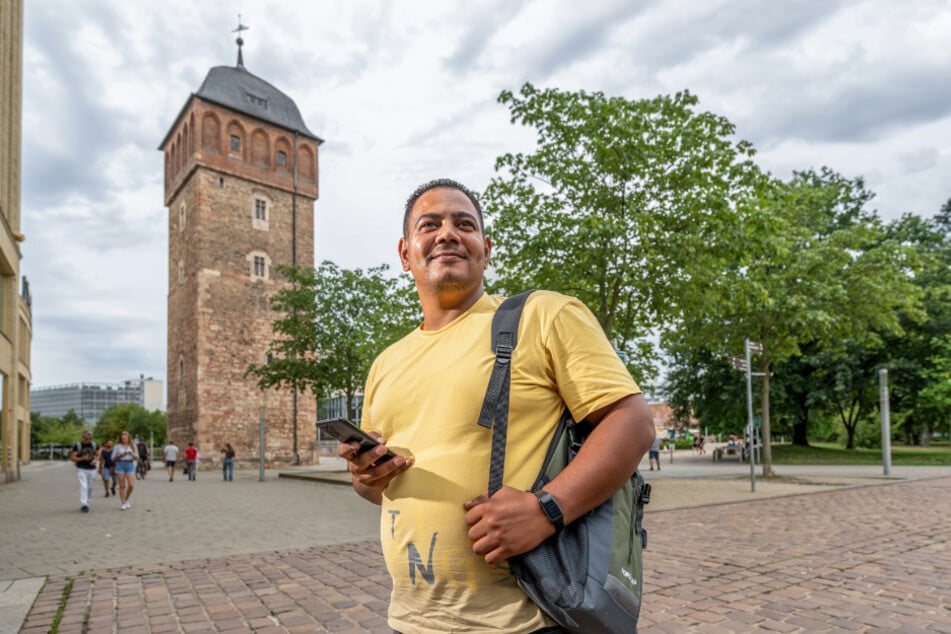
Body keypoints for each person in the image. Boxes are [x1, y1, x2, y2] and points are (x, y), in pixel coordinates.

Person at [338, 178, 655, 633]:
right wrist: (366, 474)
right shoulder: (386, 362)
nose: (447, 233)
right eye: (430, 224)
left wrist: (548, 508)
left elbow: (633, 422)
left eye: (463, 224)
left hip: (526, 620)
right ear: (406, 253)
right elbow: (377, 490)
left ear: (485, 249)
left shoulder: (544, 315)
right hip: (410, 620)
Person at [70, 430, 99, 512]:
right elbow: (72, 458)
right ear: (83, 437)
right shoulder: (78, 445)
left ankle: (88, 501)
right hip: (81, 468)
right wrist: (82, 458)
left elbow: (99, 454)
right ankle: (84, 504)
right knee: (84, 486)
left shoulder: (94, 445)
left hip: (92, 469)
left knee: (90, 487)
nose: (88, 439)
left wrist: (96, 460)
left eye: (89, 438)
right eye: (86, 438)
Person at [111, 430, 137, 510]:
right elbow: (112, 458)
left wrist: (132, 454)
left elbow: (137, 457)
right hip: (120, 465)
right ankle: (123, 503)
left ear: (128, 438)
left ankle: (126, 499)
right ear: (120, 438)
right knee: (122, 486)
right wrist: (120, 455)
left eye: (125, 437)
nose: (124, 438)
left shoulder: (132, 445)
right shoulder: (117, 446)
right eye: (122, 437)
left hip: (130, 465)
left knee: (131, 485)